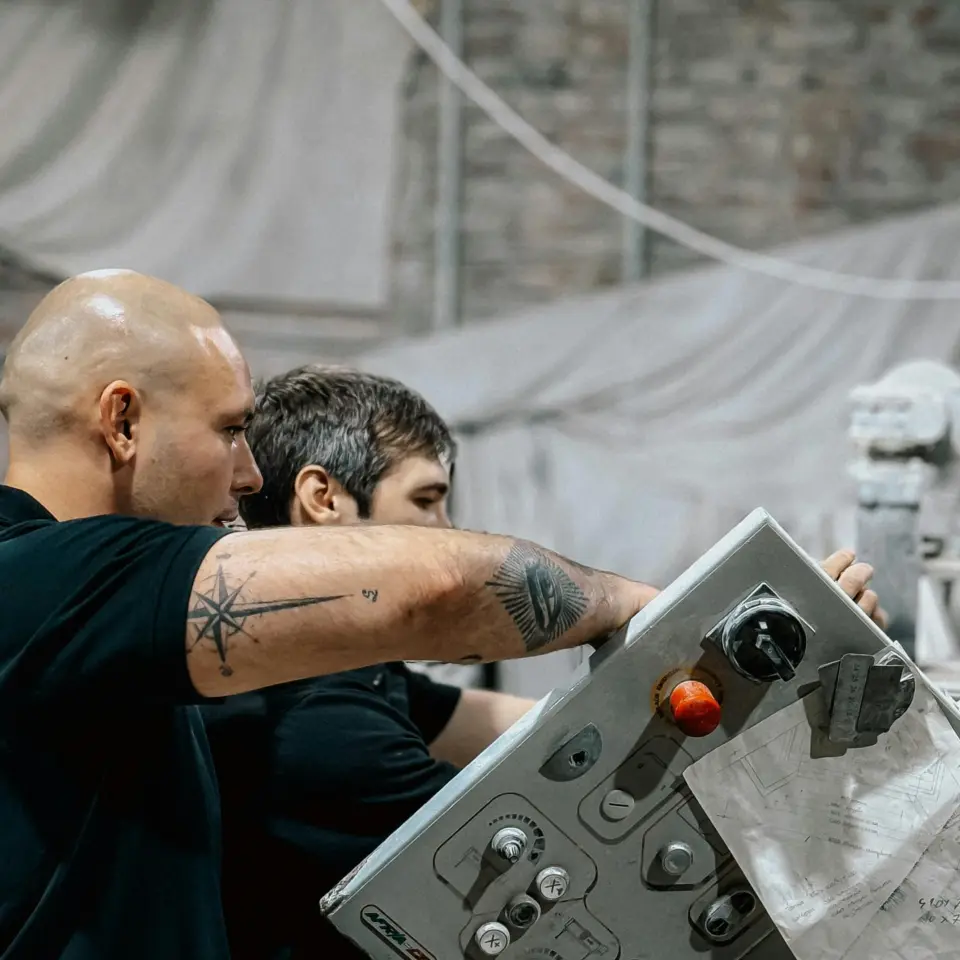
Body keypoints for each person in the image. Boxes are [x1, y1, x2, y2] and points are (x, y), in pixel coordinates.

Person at [0, 270, 670, 960]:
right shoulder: (39, 583)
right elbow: (437, 592)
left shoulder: (105, 626)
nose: (250, 474)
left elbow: (525, 731)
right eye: (229, 428)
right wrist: (644, 612)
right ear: (123, 422)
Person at [204, 364, 887, 959]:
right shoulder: (324, 725)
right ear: (324, 500)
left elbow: (548, 731)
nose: (450, 538)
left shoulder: (356, 681)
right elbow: (571, 852)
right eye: (426, 502)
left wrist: (773, 670)